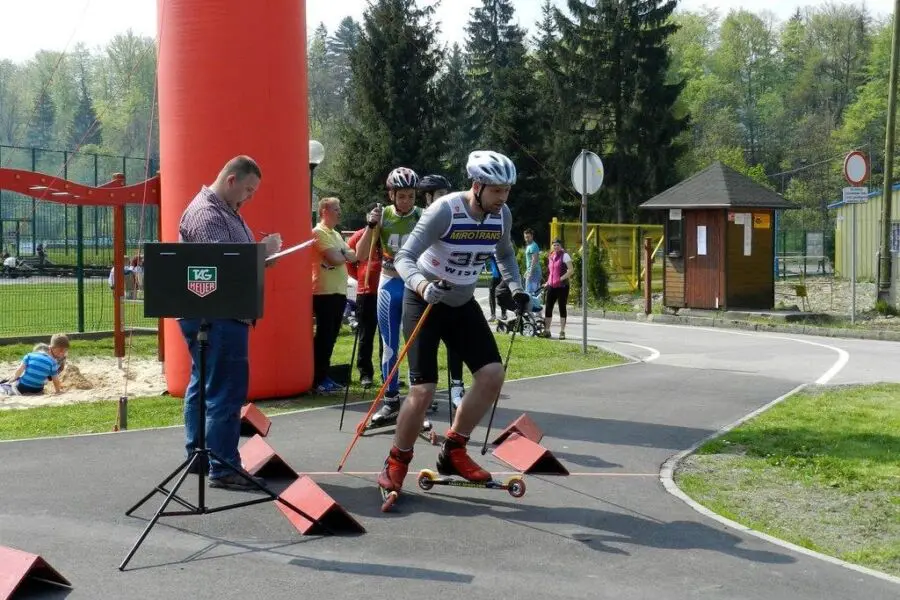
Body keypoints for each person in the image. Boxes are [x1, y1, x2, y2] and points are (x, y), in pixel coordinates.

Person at [376, 150, 531, 494]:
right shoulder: (444, 210)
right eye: (496, 191)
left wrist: (517, 288)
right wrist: (423, 286)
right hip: (426, 302)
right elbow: (403, 258)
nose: (502, 198)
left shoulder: (501, 215)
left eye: (507, 191)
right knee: (423, 390)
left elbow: (504, 253)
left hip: (461, 303)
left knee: (492, 376)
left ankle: (454, 450)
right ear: (476, 186)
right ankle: (396, 461)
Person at [177, 155, 282, 491]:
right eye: (248, 190)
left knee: (204, 383)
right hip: (216, 314)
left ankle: (201, 455)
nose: (249, 197)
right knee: (225, 389)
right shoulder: (208, 214)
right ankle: (223, 466)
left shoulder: (224, 211)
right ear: (232, 179)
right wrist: (263, 252)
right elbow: (223, 266)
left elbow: (231, 263)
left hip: (217, 311)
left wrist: (260, 255)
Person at [355, 167, 424, 426]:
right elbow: (361, 254)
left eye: (411, 195)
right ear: (391, 194)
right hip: (389, 284)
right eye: (402, 196)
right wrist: (371, 225)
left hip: (414, 285)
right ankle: (391, 401)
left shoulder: (422, 216)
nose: (406, 201)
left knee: (416, 344)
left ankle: (418, 400)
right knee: (389, 345)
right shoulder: (382, 215)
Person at [417, 174, 465, 409]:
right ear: (428, 196)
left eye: (447, 194)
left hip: (451, 288)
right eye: (439, 195)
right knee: (427, 343)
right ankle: (427, 391)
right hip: (424, 290)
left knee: (455, 340)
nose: (445, 199)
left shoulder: (450, 215)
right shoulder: (420, 218)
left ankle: (457, 385)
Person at [312, 197, 357, 393]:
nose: (339, 212)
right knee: (324, 337)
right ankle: (317, 378)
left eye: (340, 208)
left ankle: (324, 375)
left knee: (332, 337)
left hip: (338, 292)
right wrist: (343, 254)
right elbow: (336, 258)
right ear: (324, 211)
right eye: (335, 209)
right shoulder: (318, 232)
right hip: (323, 291)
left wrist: (343, 253)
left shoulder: (337, 235)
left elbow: (353, 255)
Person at [347, 209, 383, 387]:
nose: (376, 218)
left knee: (387, 336)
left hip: (386, 291)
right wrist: (361, 277)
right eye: (373, 215)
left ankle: (388, 373)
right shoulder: (360, 235)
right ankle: (365, 373)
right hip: (366, 292)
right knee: (365, 335)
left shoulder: (387, 234)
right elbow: (349, 260)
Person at [1, 335, 68, 397]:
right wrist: (58, 391)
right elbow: (55, 380)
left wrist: (13, 379)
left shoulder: (29, 355)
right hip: (38, 389)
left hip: (23, 387)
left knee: (13, 382)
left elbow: (19, 370)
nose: (61, 353)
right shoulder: (53, 362)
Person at [542, 239, 573, 339]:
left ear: (561, 245)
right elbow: (551, 272)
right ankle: (547, 330)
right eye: (554, 245)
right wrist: (548, 282)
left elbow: (571, 270)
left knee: (562, 307)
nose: (556, 247)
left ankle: (562, 331)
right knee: (548, 307)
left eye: (557, 245)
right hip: (551, 286)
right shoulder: (551, 256)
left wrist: (560, 279)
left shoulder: (565, 256)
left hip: (562, 286)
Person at [485, 252, 506, 323]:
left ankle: (493, 315)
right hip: (501, 276)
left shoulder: (493, 252)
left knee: (492, 296)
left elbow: (486, 255)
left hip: (497, 276)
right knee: (501, 295)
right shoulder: (499, 250)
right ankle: (503, 314)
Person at [523, 228, 541, 295]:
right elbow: (530, 260)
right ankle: (531, 305)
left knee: (533, 293)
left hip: (534, 272)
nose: (526, 239)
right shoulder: (529, 245)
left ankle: (535, 305)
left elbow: (535, 260)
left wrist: (530, 272)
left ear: (532, 236)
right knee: (528, 291)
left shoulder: (534, 246)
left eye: (528, 237)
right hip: (531, 271)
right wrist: (527, 271)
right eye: (525, 237)